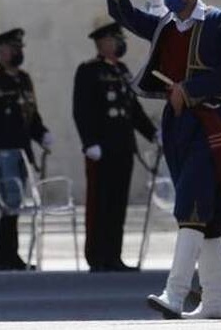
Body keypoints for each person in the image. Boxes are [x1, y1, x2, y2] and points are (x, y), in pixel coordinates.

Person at [104, 0, 221, 319]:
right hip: (177, 125)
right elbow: (125, 14)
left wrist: (190, 89)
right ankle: (215, 303)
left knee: (191, 207)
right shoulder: (165, 24)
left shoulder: (218, 23)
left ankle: (175, 292)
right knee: (207, 220)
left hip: (209, 123)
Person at [72, 17, 157, 272]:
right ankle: (97, 256)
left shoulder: (122, 70)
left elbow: (134, 109)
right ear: (103, 43)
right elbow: (81, 110)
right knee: (100, 202)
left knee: (118, 203)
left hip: (123, 148)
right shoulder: (89, 71)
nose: (120, 44)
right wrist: (89, 143)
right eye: (116, 39)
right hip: (101, 150)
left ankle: (114, 255)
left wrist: (153, 134)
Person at [0, 27, 52, 271]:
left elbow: (30, 115)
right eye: (12, 48)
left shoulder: (23, 79)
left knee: (14, 207)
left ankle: (12, 255)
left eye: (18, 48)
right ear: (1, 51)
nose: (16, 52)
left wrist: (42, 134)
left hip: (21, 154)